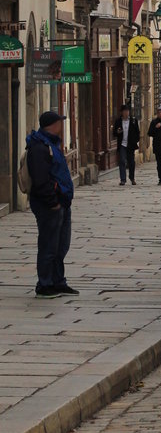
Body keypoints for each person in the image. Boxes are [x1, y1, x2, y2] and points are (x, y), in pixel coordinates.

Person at [26, 109, 78, 298]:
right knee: (49, 245)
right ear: (52, 125)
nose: (62, 124)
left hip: (61, 203)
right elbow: (40, 180)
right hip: (49, 205)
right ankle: (45, 284)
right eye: (59, 122)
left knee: (61, 245)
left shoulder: (51, 144)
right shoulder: (39, 147)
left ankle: (58, 281)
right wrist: (53, 202)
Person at [113, 104, 140, 186]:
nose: (126, 113)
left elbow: (137, 133)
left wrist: (135, 141)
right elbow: (114, 133)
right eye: (125, 111)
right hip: (122, 144)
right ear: (122, 112)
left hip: (130, 145)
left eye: (127, 111)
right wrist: (117, 132)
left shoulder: (133, 121)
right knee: (122, 161)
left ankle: (132, 178)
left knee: (131, 162)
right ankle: (123, 179)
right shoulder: (118, 121)